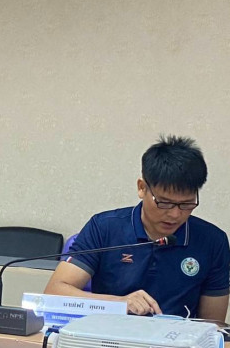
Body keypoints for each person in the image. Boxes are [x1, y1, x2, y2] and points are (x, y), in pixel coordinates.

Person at [45, 135, 230, 320]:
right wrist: (119, 304)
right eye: (164, 203)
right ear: (142, 188)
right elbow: (54, 292)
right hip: (110, 333)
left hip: (177, 337)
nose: (175, 214)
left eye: (187, 204)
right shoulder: (104, 227)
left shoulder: (213, 241)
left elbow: (213, 323)